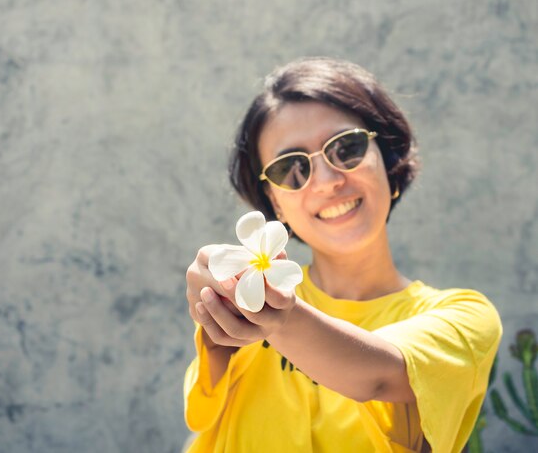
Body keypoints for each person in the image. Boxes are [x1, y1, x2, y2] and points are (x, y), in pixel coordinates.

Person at [182, 58, 502, 453]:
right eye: (292, 168)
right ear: (274, 203)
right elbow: (201, 413)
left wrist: (276, 317)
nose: (328, 181)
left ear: (387, 159)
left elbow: (381, 376)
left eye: (346, 148)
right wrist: (218, 315)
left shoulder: (466, 319)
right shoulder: (243, 295)